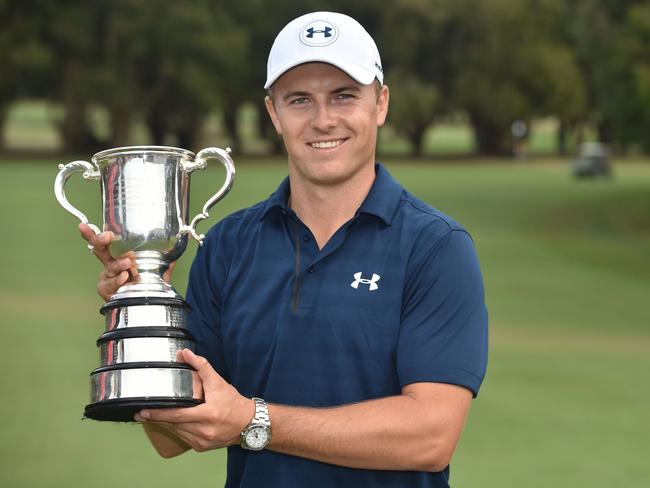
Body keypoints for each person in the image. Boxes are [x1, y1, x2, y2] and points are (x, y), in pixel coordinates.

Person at [80, 11, 488, 488]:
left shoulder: (436, 248)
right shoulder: (227, 247)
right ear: (273, 113)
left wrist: (256, 421)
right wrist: (144, 316)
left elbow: (430, 436)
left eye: (344, 96)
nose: (323, 120)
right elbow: (173, 437)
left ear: (380, 103)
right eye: (300, 100)